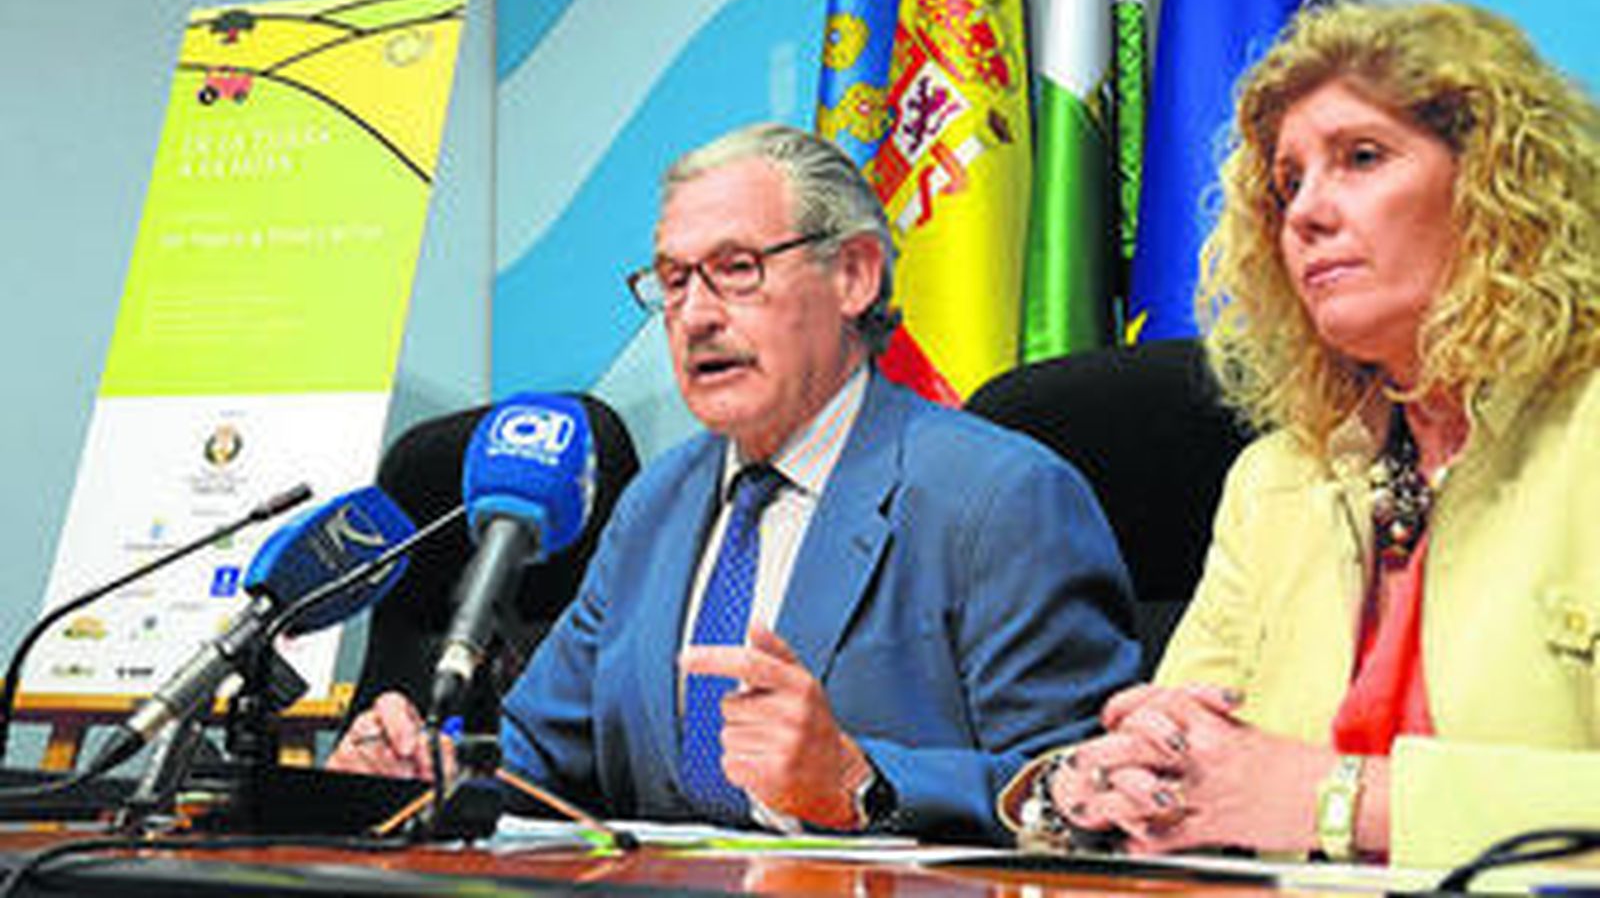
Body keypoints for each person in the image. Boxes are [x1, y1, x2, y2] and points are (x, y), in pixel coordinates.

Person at [333, 123, 1140, 842]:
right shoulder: (656, 504)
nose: (695, 315)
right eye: (673, 280)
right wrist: (429, 771)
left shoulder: (999, 498)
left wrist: (861, 782)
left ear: (855, 275)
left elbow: (1079, 796)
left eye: (735, 268)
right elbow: (540, 756)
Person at [1002, 0, 1600, 867]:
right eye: (1288, 184)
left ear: (1498, 186)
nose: (1308, 214)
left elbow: (1281, 793)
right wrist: (1102, 784)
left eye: (1361, 158)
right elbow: (1185, 756)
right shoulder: (1276, 481)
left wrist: (1331, 800)